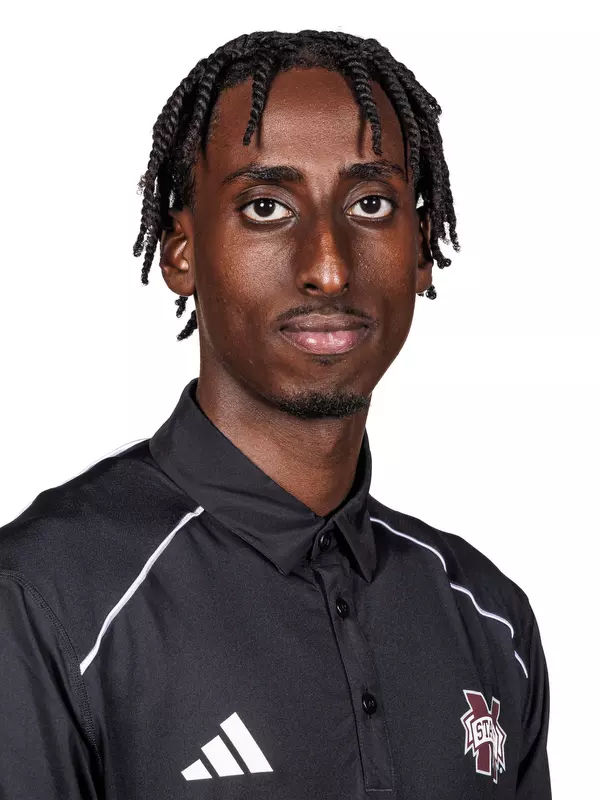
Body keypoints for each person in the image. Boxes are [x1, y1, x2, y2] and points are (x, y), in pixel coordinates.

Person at [0, 29, 551, 799]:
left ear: (422, 248)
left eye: (371, 203)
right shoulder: (44, 601)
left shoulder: (490, 619)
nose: (327, 265)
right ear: (180, 251)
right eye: (266, 206)